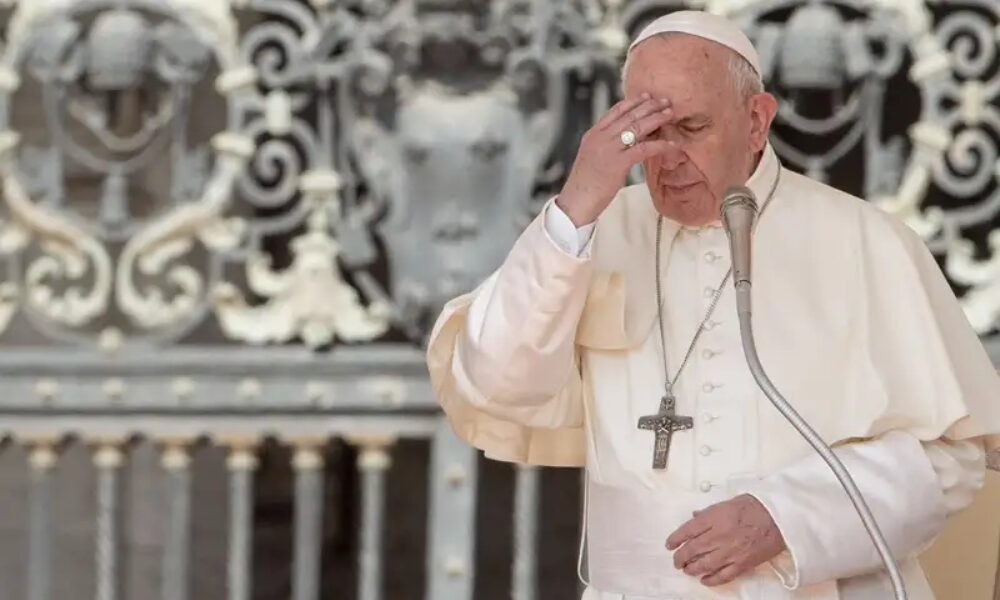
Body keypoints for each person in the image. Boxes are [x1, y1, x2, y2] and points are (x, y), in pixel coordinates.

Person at [425, 10, 1000, 600]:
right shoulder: (589, 234)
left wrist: (790, 518)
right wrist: (574, 208)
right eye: (646, 131)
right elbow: (496, 384)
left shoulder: (865, 241)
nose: (667, 156)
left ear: (756, 121)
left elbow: (951, 457)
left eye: (692, 126)